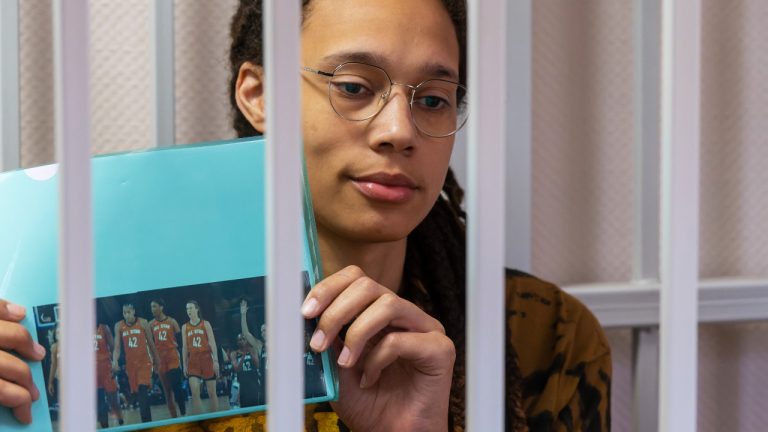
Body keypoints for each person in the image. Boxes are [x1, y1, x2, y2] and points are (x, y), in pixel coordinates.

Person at [1, 0, 611, 430]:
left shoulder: (542, 336)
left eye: (431, 99)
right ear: (258, 95)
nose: (400, 131)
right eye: (353, 86)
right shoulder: (87, 326)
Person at [113, 303, 160, 423]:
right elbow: (117, 347)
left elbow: (151, 343)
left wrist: (157, 361)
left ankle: (146, 422)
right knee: (138, 392)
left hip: (144, 362)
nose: (126, 315)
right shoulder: (119, 326)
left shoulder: (143, 322)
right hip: (131, 365)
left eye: (128, 312)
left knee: (142, 387)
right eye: (124, 313)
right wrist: (115, 361)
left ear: (133, 311)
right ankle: (146, 418)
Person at [148, 298, 187, 418]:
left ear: (161, 307)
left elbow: (181, 341)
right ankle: (174, 418)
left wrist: (183, 357)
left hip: (172, 357)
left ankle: (183, 413)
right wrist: (152, 362)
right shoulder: (150, 324)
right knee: (167, 392)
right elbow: (149, 345)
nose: (152, 309)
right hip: (160, 360)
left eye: (154, 306)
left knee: (177, 386)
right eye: (151, 307)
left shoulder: (172, 322)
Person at [181, 300, 220, 414]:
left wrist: (216, 361)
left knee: (212, 393)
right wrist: (184, 364)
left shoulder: (205, 324)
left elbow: (213, 343)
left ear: (197, 309)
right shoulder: (185, 327)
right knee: (194, 393)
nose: (189, 311)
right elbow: (184, 347)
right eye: (187, 308)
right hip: (193, 361)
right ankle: (202, 419)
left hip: (207, 358)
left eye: (191, 308)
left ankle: (216, 419)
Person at [231, 300, 264, 408]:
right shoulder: (259, 345)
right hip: (262, 382)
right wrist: (243, 314)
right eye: (262, 330)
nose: (263, 332)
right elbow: (246, 333)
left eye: (265, 330)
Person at [94, 322, 124, 427]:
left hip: (106, 368)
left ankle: (121, 422)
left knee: (114, 401)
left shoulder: (104, 328)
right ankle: (105, 427)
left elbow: (112, 347)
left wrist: (115, 363)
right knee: (100, 404)